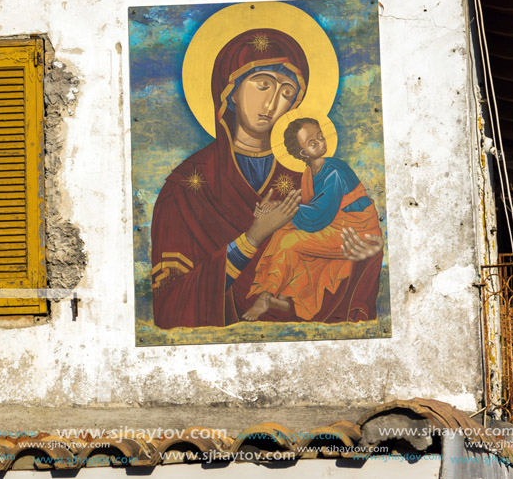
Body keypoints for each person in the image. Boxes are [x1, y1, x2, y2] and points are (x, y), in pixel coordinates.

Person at [150, 28, 384, 329]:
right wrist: (251, 239)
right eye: (263, 84)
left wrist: (366, 256)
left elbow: (338, 248)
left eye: (286, 92)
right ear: (230, 90)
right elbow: (170, 306)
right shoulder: (186, 187)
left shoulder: (308, 174)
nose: (272, 104)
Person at [241, 118, 383, 321]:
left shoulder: (333, 171)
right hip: (334, 225)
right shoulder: (309, 174)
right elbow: (311, 211)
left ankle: (264, 297)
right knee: (283, 232)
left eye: (320, 137)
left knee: (289, 241)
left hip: (354, 230)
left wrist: (279, 209)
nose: (320, 143)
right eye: (312, 142)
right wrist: (275, 209)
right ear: (302, 153)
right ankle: (282, 295)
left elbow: (318, 215)